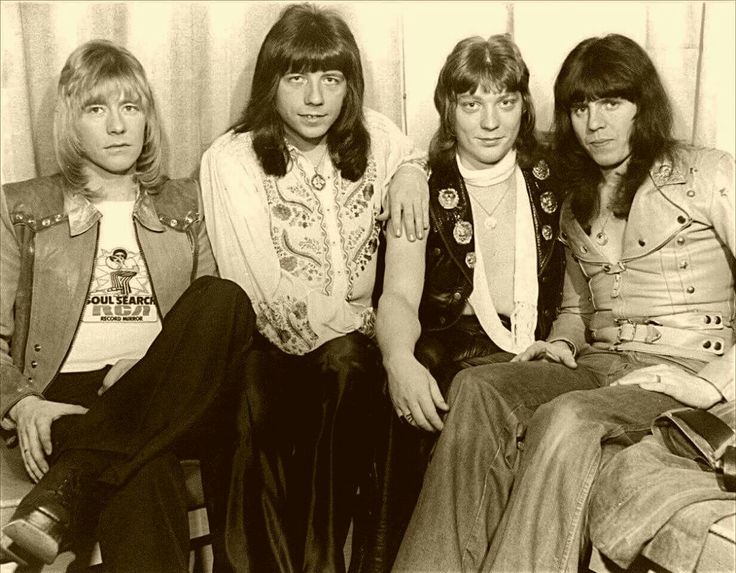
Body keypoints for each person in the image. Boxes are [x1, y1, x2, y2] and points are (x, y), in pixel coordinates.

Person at [393, 32, 734, 573]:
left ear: (642, 106)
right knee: (478, 386)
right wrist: (558, 342)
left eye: (611, 103)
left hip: (682, 369)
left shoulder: (709, 173)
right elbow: (578, 308)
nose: (594, 123)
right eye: (579, 106)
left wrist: (710, 383)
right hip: (600, 365)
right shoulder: (575, 190)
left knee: (569, 417)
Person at [0, 39, 255, 572]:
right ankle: (85, 466)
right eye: (97, 109)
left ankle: (67, 484)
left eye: (130, 107)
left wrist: (147, 368)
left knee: (224, 299)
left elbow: (206, 328)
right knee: (145, 466)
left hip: (162, 385)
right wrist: (24, 403)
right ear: (71, 121)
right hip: (62, 399)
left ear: (146, 120)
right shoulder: (21, 207)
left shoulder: (186, 204)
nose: (117, 126)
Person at [198, 4, 427, 572]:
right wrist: (367, 324)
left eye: (332, 78)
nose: (316, 98)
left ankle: (324, 564)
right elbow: (262, 290)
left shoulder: (378, 137)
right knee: (252, 387)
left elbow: (413, 153)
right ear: (269, 82)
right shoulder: (232, 159)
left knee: (347, 366)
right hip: (267, 341)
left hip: (348, 354)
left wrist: (410, 173)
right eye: (295, 78)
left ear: (350, 84)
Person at [360, 34, 564, 572]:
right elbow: (399, 294)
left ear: (525, 105)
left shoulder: (556, 176)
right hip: (451, 350)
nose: (491, 121)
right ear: (449, 109)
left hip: (536, 348)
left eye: (506, 102)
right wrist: (397, 360)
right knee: (407, 386)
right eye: (473, 104)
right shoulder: (421, 185)